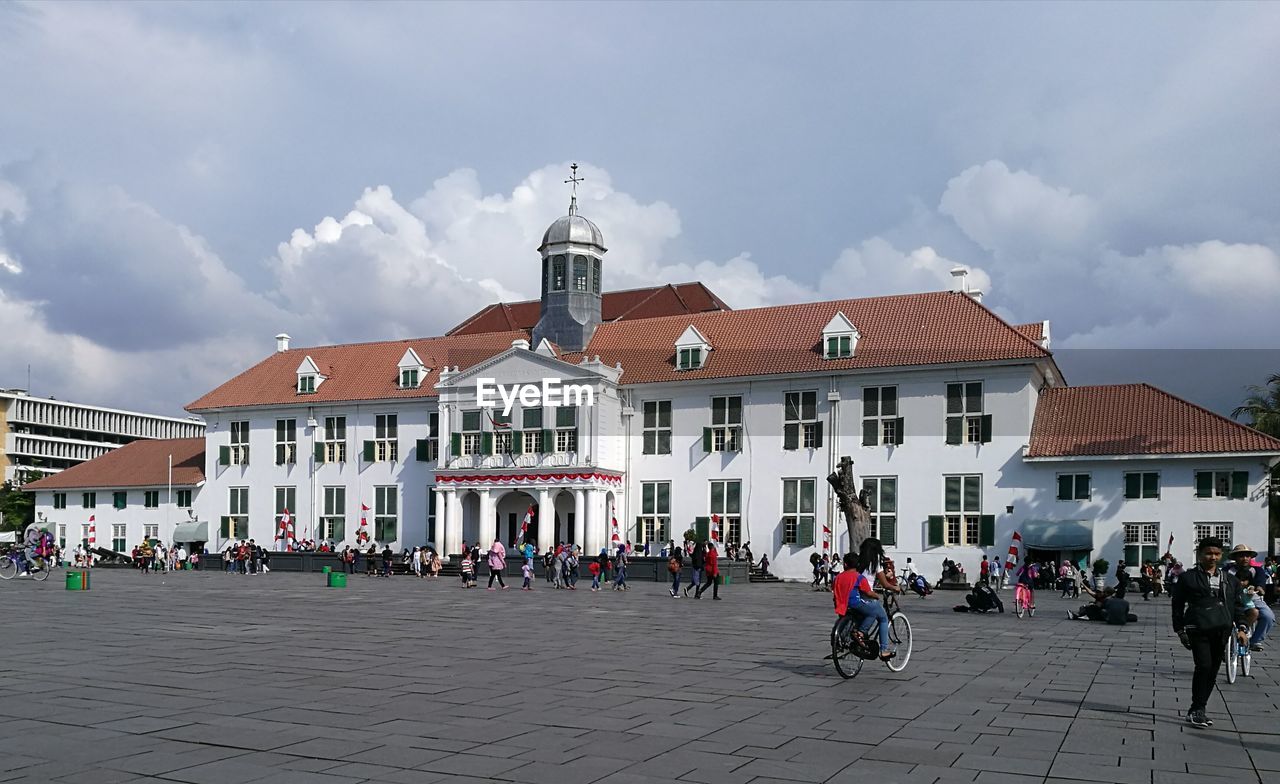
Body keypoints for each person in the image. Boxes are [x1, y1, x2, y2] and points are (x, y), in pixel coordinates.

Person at [1171, 536, 1250, 729]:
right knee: (1203, 666)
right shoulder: (1187, 578)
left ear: (1221, 555)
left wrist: (1241, 628)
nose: (1212, 557)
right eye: (1208, 553)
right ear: (1199, 554)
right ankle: (1196, 709)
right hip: (1198, 629)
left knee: (1213, 669)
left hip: (1222, 630)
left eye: (1216, 554)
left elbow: (1238, 606)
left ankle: (1199, 708)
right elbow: (1177, 605)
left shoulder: (1230, 580)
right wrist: (1180, 630)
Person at [1224, 544, 1273, 651]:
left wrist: (1259, 588)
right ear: (1235, 558)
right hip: (1232, 598)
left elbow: (1261, 584)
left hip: (1252, 598)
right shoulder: (1228, 570)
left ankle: (1255, 640)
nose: (1245, 559)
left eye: (1247, 556)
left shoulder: (1257, 570)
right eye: (1241, 556)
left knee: (1268, 616)